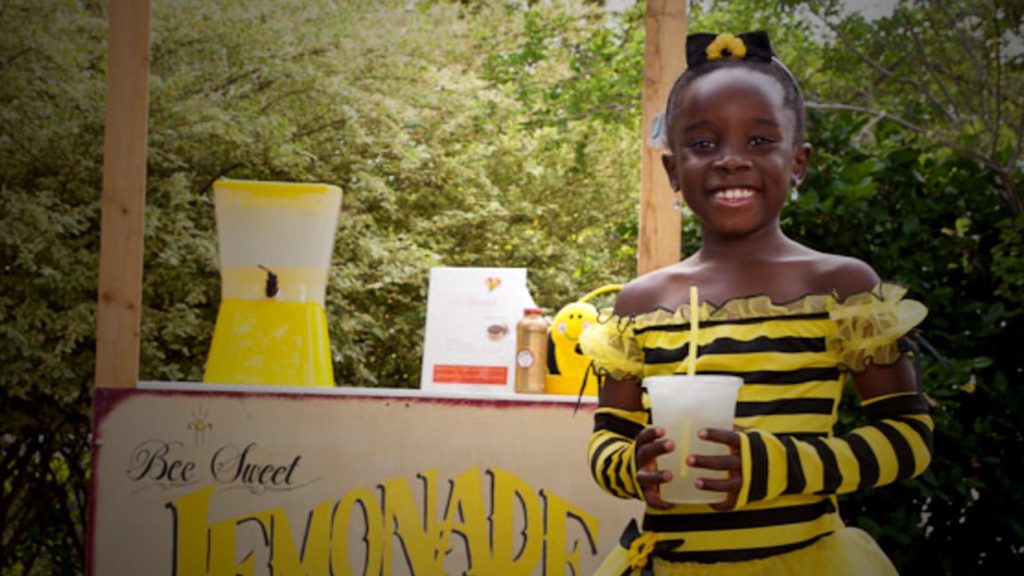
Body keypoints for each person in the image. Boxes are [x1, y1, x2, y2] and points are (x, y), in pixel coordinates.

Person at [579, 31, 933, 575]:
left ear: (799, 163)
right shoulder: (641, 304)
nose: (730, 161)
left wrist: (775, 465)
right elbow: (609, 440)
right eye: (703, 144)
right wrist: (633, 466)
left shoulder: (842, 289)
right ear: (674, 171)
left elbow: (907, 439)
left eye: (760, 141)